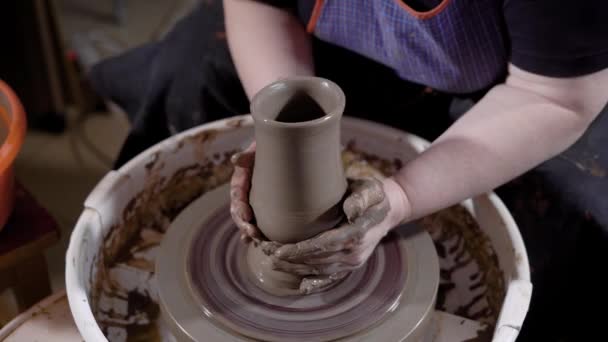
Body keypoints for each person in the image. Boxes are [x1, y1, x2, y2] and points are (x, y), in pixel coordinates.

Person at [88, 1, 608, 340]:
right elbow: (258, 3)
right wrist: (279, 125)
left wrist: (401, 198)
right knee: (191, 69)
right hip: (329, 54)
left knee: (569, 224)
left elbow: (555, 98)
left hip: (514, 92)